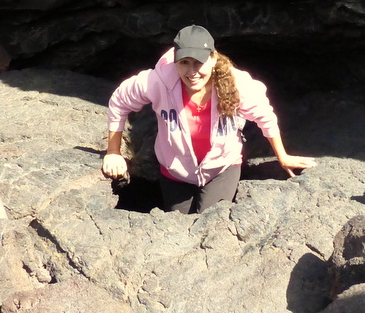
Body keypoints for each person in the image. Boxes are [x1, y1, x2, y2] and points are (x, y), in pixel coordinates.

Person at [102, 25, 316, 213]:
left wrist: (283, 156)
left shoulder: (236, 83)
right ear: (175, 61)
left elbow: (264, 115)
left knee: (211, 221)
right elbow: (119, 102)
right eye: (184, 62)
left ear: (213, 59)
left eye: (198, 62)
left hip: (222, 167)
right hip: (175, 171)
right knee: (178, 229)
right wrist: (114, 152)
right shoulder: (156, 81)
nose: (192, 71)